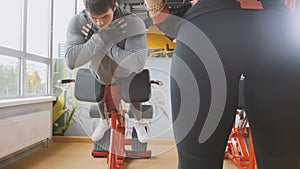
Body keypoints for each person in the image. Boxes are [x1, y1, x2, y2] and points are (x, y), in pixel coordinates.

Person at [144, 0, 300, 169]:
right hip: (278, 28)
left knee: (197, 163)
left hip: (209, 24)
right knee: (282, 161)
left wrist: (158, 13)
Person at [65, 0, 148, 143]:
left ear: (114, 8)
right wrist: (103, 36)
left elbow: (137, 64)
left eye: (104, 17)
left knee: (135, 82)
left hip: (126, 72)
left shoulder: (133, 22)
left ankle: (137, 121)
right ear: (86, 10)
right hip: (100, 73)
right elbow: (71, 62)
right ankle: (104, 121)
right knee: (99, 81)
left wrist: (101, 41)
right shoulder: (78, 22)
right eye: (94, 18)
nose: (99, 23)